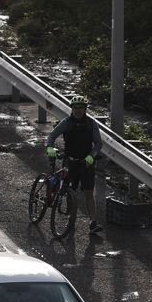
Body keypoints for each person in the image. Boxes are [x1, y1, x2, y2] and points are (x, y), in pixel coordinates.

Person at [47, 96, 103, 235]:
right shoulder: (66, 122)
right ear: (71, 109)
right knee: (68, 190)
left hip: (86, 163)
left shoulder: (91, 124)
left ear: (85, 109)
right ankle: (71, 219)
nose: (77, 111)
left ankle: (93, 223)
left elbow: (98, 143)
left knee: (89, 193)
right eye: (75, 108)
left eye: (80, 108)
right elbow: (52, 136)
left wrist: (92, 155)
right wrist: (49, 147)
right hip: (70, 162)